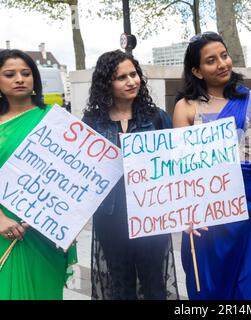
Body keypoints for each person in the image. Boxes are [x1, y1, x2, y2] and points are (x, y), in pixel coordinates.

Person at [173, 31, 251, 300]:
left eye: (224, 55)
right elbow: (180, 168)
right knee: (211, 286)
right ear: (197, 71)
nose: (222, 64)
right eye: (211, 60)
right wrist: (186, 212)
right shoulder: (185, 108)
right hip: (208, 213)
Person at [82, 50, 179, 300]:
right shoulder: (93, 121)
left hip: (151, 214)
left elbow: (176, 164)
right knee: (120, 282)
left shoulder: (156, 117)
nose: (131, 81)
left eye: (133, 74)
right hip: (110, 216)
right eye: (121, 77)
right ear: (107, 84)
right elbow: (81, 169)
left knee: (154, 281)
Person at [0, 49, 77, 299]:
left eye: (26, 73)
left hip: (46, 228)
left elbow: (74, 175)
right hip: (5, 225)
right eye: (10, 74)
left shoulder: (55, 120)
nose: (19, 79)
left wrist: (68, 222)